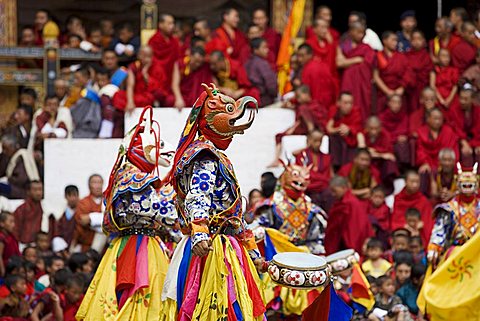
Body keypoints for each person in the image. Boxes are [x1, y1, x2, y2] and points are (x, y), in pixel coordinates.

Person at [160, 84, 266, 320]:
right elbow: (199, 194)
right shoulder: (205, 155)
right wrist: (199, 233)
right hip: (211, 248)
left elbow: (233, 213)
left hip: (223, 244)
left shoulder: (214, 155)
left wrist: (254, 253)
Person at [77, 106, 177, 320]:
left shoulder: (126, 176)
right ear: (140, 148)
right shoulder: (134, 179)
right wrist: (175, 195)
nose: (166, 150)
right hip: (140, 248)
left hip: (131, 244)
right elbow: (162, 212)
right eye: (158, 145)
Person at [271, 85, 328, 167]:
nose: (298, 99)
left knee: (280, 136)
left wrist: (310, 133)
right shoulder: (309, 105)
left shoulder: (305, 107)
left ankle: (276, 159)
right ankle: (276, 159)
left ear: (306, 94)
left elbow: (309, 124)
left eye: (299, 96)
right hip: (312, 130)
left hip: (308, 131)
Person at [337, 22, 376, 121]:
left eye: (362, 33)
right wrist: (357, 59)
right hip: (348, 80)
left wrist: (347, 61)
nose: (361, 35)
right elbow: (339, 63)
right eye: (358, 32)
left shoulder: (367, 48)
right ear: (351, 32)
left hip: (363, 83)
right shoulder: (343, 46)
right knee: (347, 102)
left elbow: (369, 65)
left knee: (363, 104)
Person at [324, 176, 373, 254]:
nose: (333, 194)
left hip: (349, 240)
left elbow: (354, 225)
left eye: (335, 191)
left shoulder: (349, 203)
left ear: (343, 188)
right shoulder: (342, 201)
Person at [115, 45, 167, 111]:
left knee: (149, 99)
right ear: (139, 55)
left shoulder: (157, 67)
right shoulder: (134, 67)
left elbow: (158, 88)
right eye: (144, 55)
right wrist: (130, 102)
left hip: (148, 96)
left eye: (149, 56)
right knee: (118, 96)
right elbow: (130, 86)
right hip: (136, 95)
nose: (146, 59)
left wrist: (145, 74)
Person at [373, 31, 413, 113]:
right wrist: (387, 91)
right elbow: (375, 76)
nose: (395, 43)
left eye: (396, 40)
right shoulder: (378, 56)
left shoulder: (401, 57)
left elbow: (408, 73)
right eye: (392, 40)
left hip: (399, 94)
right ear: (384, 41)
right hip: (383, 93)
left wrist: (401, 88)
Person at [294, 128, 334, 210]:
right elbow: (301, 176)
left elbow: (329, 176)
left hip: (322, 188)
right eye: (315, 141)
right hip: (308, 188)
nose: (318, 144)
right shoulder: (302, 156)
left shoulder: (326, 157)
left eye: (320, 141)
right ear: (309, 140)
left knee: (329, 195)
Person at [358, 116, 398, 194]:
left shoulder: (385, 135)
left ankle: (387, 188)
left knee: (390, 163)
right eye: (371, 128)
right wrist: (381, 154)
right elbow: (363, 152)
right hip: (368, 162)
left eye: (376, 129)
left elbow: (389, 153)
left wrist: (375, 153)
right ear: (367, 127)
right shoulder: (362, 135)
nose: (374, 131)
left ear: (380, 128)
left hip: (381, 163)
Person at [391, 171, 433, 242]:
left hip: (419, 234)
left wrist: (419, 227)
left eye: (417, 182)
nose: (415, 185)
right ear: (405, 182)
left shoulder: (424, 201)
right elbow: (396, 220)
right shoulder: (398, 199)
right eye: (412, 182)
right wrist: (406, 227)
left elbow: (428, 222)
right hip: (402, 232)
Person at [416, 108, 459, 174]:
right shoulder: (422, 132)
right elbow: (420, 150)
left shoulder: (448, 131)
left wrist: (447, 161)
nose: (437, 121)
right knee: (424, 171)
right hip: (428, 162)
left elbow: (453, 149)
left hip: (445, 162)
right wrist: (425, 163)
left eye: (440, 119)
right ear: (428, 119)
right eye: (435, 118)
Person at [327, 92, 362, 169]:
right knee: (333, 138)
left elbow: (357, 128)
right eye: (345, 103)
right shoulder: (334, 110)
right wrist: (340, 129)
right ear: (338, 103)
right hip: (337, 140)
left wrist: (349, 129)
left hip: (351, 141)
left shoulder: (356, 112)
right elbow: (329, 129)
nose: (349, 106)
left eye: (351, 103)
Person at [297, 43, 337, 110]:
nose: (299, 59)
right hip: (328, 104)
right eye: (298, 56)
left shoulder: (308, 69)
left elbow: (305, 93)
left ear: (310, 55)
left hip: (314, 106)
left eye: (302, 56)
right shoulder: (324, 65)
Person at [447, 86, 480, 166]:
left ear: (472, 99)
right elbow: (454, 128)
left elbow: (478, 129)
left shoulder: (478, 111)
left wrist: (475, 144)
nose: (462, 101)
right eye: (461, 98)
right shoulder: (453, 110)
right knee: (465, 152)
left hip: (475, 139)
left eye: (465, 99)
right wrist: (463, 142)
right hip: (459, 141)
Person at [148, 13, 180, 93]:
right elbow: (151, 60)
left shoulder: (174, 41)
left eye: (173, 23)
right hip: (158, 76)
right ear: (160, 25)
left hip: (172, 75)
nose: (172, 26)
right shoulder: (154, 41)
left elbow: (178, 59)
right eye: (169, 23)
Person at [0, 135, 40, 199]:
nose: (4, 152)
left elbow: (21, 179)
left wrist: (8, 179)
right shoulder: (12, 157)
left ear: (12, 147)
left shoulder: (21, 157)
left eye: (6, 149)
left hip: (23, 191)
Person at [72, 174, 103, 253]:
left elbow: (111, 220)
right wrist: (102, 220)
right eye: (94, 183)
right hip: (86, 244)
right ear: (89, 185)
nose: (98, 186)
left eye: (100, 183)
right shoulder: (83, 202)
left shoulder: (108, 201)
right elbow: (83, 220)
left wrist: (92, 218)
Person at [405, 30, 434, 112]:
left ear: (424, 41)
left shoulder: (427, 56)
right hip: (410, 91)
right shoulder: (406, 56)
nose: (416, 42)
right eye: (414, 39)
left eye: (419, 39)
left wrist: (432, 89)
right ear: (410, 41)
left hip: (423, 89)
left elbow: (431, 72)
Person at [244, 37, 277, 106]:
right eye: (264, 48)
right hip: (263, 99)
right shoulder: (262, 63)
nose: (267, 50)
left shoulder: (247, 63)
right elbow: (271, 85)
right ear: (255, 50)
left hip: (249, 98)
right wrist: (275, 95)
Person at [379, 95, 410, 168]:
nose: (396, 105)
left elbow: (406, 131)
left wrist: (405, 137)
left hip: (401, 142)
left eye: (399, 103)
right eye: (394, 102)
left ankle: (404, 168)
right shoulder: (382, 117)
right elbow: (383, 134)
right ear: (389, 103)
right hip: (388, 142)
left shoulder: (404, 116)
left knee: (404, 145)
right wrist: (396, 139)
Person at [70, 68, 102, 138]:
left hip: (86, 129)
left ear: (86, 77)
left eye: (77, 78)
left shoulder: (88, 94)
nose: (75, 81)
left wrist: (70, 109)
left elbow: (77, 113)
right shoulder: (84, 91)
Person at [13, 180, 43, 246]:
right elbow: (15, 230)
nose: (38, 193)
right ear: (28, 192)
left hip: (41, 245)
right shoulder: (21, 209)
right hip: (24, 245)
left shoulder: (45, 207)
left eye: (40, 189)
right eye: (35, 190)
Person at [0, 212, 20, 276]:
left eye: (14, 222)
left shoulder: (11, 236)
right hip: (6, 270)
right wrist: (2, 271)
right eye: (11, 222)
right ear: (2, 224)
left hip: (13, 267)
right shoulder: (1, 237)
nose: (13, 225)